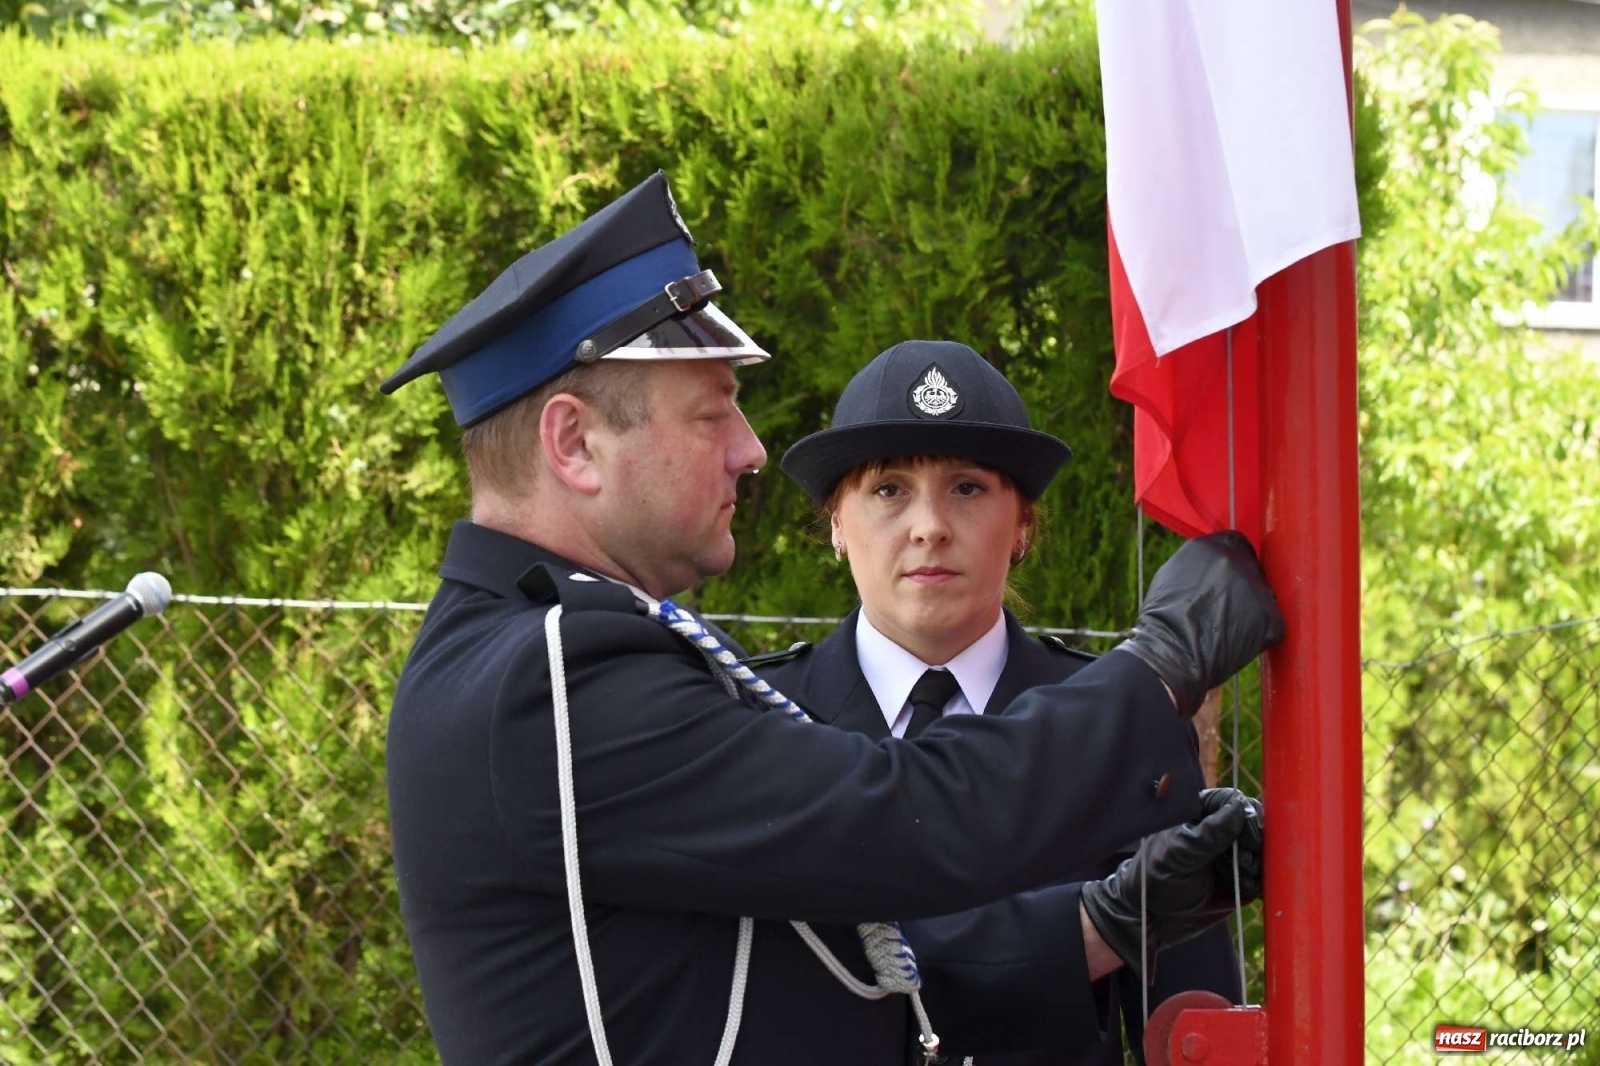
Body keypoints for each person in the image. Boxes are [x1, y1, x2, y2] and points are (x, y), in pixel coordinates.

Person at [379, 171, 1282, 1066]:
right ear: (574, 444)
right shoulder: (553, 677)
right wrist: (1158, 666)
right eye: (710, 414)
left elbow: (835, 970)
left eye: (968, 488)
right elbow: (905, 818)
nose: (751, 450)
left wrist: (1102, 923)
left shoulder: (539, 656)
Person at [754, 339, 1245, 1065]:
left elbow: (1193, 1028)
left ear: (1023, 528)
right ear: (835, 523)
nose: (929, 526)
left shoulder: (1123, 727)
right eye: (888, 489)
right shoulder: (760, 721)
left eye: (968, 488)